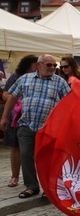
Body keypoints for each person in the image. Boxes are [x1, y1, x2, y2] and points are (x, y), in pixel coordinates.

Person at [0, 55, 70, 198]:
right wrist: (5, 116)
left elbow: (69, 102)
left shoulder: (60, 82)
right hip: (26, 124)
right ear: (38, 65)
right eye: (49, 65)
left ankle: (49, 188)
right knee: (25, 155)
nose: (52, 68)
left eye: (54, 66)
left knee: (47, 158)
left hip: (49, 128)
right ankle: (32, 186)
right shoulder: (24, 79)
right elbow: (12, 96)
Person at [2, 55, 38, 188]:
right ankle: (14, 176)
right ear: (29, 64)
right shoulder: (17, 76)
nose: (38, 66)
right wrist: (17, 98)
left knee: (32, 149)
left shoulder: (41, 77)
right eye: (36, 64)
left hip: (33, 117)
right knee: (15, 146)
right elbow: (5, 94)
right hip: (16, 116)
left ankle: (36, 177)